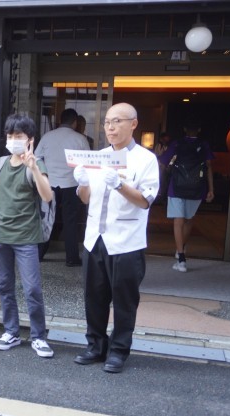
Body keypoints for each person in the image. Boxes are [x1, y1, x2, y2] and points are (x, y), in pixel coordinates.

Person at [72, 103, 159, 373]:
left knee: (124, 301)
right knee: (93, 297)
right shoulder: (98, 157)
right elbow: (86, 198)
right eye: (107, 122)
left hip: (126, 241)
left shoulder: (145, 159)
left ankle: (119, 351)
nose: (110, 127)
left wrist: (120, 184)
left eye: (117, 121)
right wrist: (83, 182)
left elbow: (145, 201)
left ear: (133, 124)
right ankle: (95, 346)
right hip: (94, 239)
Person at [0, 114, 55, 358]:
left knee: (32, 288)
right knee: (4, 286)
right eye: (11, 135)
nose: (13, 139)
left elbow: (47, 196)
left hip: (26, 237)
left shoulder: (37, 164)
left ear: (30, 139)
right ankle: (11, 331)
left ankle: (38, 336)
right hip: (1, 235)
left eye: (19, 136)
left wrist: (33, 167)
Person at [35, 108, 90, 267]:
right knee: (70, 221)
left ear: (60, 120)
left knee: (47, 219)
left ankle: (39, 254)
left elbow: (37, 158)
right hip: (71, 184)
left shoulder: (47, 136)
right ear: (75, 122)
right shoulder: (80, 139)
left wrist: (44, 174)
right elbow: (88, 162)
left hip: (50, 183)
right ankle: (72, 258)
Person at [158, 119, 215, 273]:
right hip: (197, 188)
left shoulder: (176, 144)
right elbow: (209, 166)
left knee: (178, 221)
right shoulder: (204, 145)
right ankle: (181, 248)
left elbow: (162, 163)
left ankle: (181, 259)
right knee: (189, 220)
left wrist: (160, 182)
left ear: (184, 129)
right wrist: (211, 189)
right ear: (199, 129)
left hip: (176, 187)